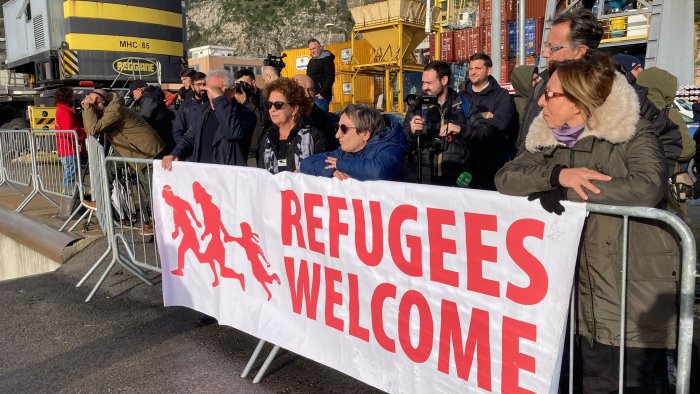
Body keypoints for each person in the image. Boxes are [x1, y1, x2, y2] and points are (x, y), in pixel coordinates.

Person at [495, 53, 678, 393]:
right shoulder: (548, 136)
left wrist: (568, 191)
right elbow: (506, 177)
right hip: (572, 290)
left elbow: (647, 185)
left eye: (551, 94)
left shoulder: (633, 132)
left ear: (579, 100)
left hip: (626, 291)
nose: (542, 101)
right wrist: (556, 174)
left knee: (632, 381)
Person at [514, 7, 681, 166]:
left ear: (580, 51)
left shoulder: (619, 91)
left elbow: (668, 139)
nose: (545, 53)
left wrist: (626, 184)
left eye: (553, 47)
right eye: (546, 45)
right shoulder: (542, 85)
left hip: (593, 193)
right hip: (542, 188)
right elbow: (524, 145)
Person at [403, 60, 496, 187]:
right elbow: (404, 139)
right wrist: (412, 131)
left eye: (429, 83)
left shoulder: (464, 103)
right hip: (423, 179)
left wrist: (461, 129)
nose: (424, 87)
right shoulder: (418, 105)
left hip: (456, 181)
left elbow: (485, 132)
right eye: (423, 83)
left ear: (444, 80)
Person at [162, 70, 257, 169]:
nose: (212, 95)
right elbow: (189, 137)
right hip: (202, 175)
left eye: (216, 90)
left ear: (232, 91)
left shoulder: (245, 114)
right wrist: (175, 153)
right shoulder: (203, 110)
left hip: (226, 177)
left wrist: (220, 99)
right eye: (209, 90)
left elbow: (233, 133)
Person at [301, 104, 409, 181]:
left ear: (365, 134)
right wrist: (331, 171)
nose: (337, 135)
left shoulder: (390, 149)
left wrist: (341, 164)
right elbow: (306, 163)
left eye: (344, 129)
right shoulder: (344, 152)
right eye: (337, 128)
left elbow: (378, 171)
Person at [461, 52, 516, 188]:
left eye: (478, 68)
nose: (473, 72)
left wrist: (471, 117)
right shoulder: (461, 96)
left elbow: (501, 123)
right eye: (471, 68)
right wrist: (486, 115)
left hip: (491, 163)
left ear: (488, 70)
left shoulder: (502, 95)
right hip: (464, 162)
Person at [257, 78, 328, 174]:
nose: (272, 109)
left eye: (278, 104)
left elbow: (323, 170)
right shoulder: (267, 137)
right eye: (268, 104)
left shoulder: (315, 135)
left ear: (294, 109)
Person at [81, 88, 164, 160]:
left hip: (148, 153)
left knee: (150, 178)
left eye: (96, 103)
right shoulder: (109, 109)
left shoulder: (115, 109)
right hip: (139, 151)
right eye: (93, 105)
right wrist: (86, 108)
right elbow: (90, 127)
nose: (95, 107)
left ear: (106, 100)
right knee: (110, 165)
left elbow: (93, 129)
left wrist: (88, 105)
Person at [292, 74, 340, 150]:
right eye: (301, 90)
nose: (307, 95)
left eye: (310, 90)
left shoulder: (331, 121)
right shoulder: (281, 121)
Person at [129, 80, 175, 153]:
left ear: (139, 90)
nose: (133, 97)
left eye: (132, 94)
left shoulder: (149, 98)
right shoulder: (150, 97)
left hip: (161, 137)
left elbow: (144, 118)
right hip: (162, 135)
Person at [234, 69, 268, 166]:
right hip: (242, 150)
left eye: (243, 83)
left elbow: (263, 119)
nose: (241, 87)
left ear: (253, 82)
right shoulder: (235, 99)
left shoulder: (264, 97)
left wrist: (246, 103)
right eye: (238, 84)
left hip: (260, 150)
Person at [54, 86, 86, 192]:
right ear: (67, 98)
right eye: (72, 96)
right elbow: (71, 131)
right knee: (70, 176)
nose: (73, 98)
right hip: (69, 149)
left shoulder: (61, 110)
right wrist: (85, 132)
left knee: (69, 174)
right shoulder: (64, 112)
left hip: (66, 148)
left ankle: (66, 196)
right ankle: (67, 199)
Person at [172, 71, 207, 147]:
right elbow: (177, 130)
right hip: (190, 151)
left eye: (204, 84)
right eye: (198, 84)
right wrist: (184, 147)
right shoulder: (185, 106)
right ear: (192, 86)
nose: (202, 87)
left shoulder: (214, 104)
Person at [306, 38, 335, 111]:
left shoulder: (326, 59)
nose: (312, 51)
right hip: (312, 97)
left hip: (320, 98)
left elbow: (330, 78)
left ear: (320, 47)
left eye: (314, 48)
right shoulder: (311, 61)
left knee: (321, 120)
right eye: (310, 49)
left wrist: (322, 94)